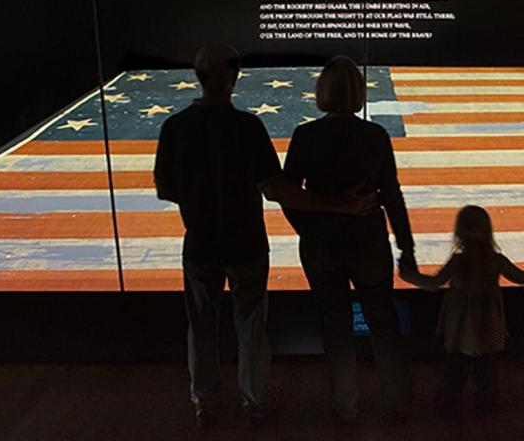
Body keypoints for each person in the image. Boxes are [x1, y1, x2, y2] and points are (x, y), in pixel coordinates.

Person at [153, 45, 375, 428]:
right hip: (247, 245)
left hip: (200, 245)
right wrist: (338, 205)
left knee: (202, 327)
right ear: (234, 78)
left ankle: (205, 403)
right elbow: (275, 189)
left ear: (199, 78)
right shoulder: (248, 127)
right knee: (251, 326)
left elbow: (165, 189)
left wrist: (201, 198)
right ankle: (254, 401)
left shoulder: (174, 128)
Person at [279, 55, 415, 423]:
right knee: (383, 322)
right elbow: (392, 193)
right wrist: (407, 245)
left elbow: (286, 193)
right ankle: (398, 401)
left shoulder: (305, 136)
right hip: (369, 242)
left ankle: (345, 407)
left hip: (321, 246)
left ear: (321, 92)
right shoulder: (375, 136)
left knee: (335, 327)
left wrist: (307, 228)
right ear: (358, 93)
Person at [398, 206, 524, 416]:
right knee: (487, 369)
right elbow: (523, 279)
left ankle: (448, 406)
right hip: (490, 321)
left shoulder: (459, 262)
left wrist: (407, 274)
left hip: (460, 325)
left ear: (458, 232)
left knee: (456, 367)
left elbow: (433, 283)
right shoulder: (496, 261)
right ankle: (487, 407)